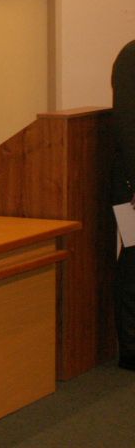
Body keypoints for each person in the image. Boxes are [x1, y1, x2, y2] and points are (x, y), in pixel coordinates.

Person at [112, 39, 135, 371]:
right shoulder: (132, 56)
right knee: (134, 259)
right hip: (132, 184)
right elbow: (127, 125)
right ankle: (130, 348)